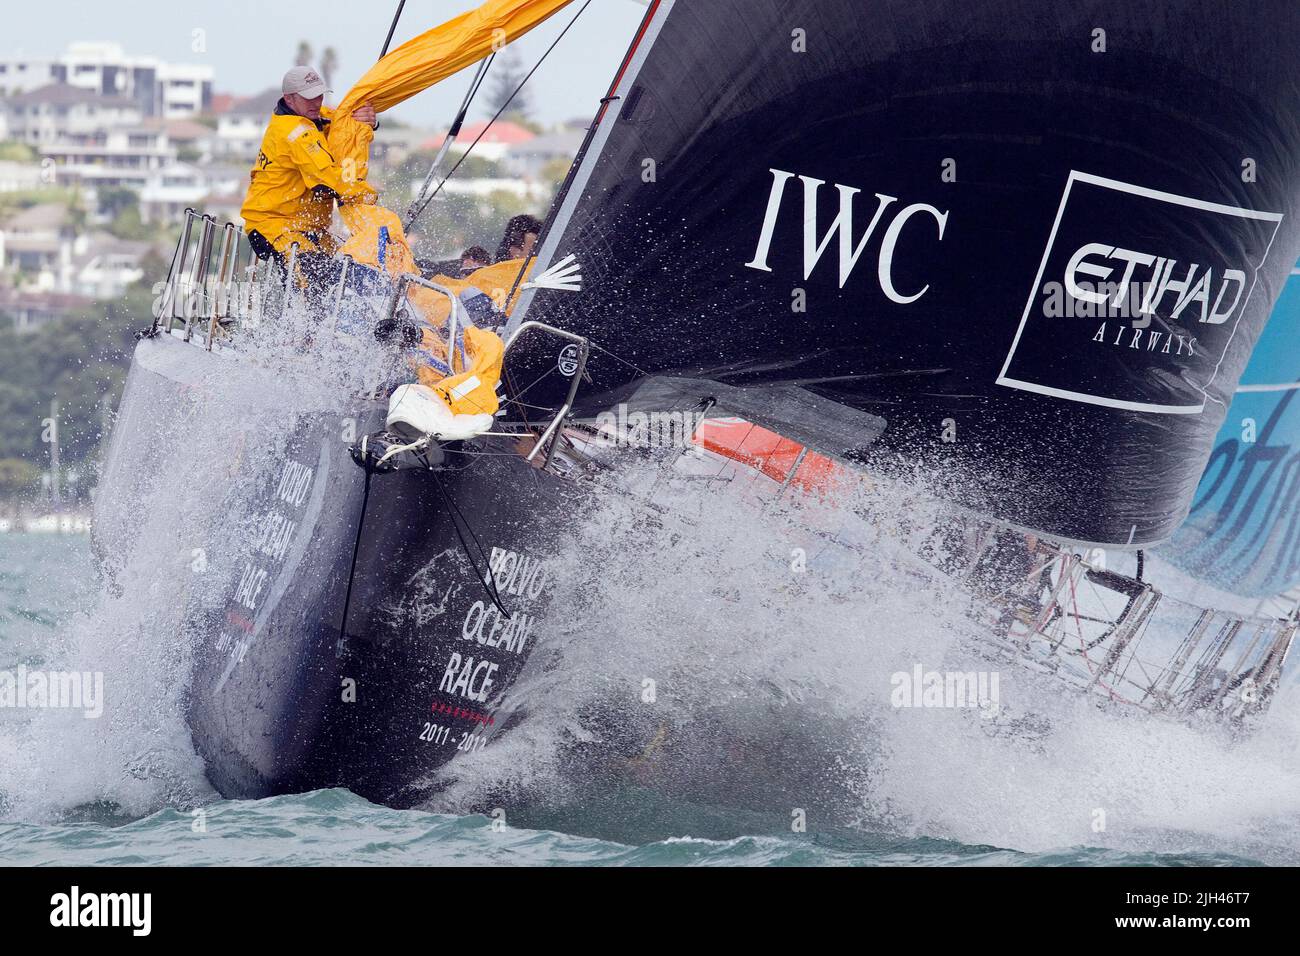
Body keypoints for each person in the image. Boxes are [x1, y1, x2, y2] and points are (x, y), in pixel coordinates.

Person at [240, 65, 380, 286]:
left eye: (319, 96)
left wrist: (368, 121)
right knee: (312, 278)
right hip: (273, 225)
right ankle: (299, 320)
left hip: (310, 228)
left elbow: (345, 123)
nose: (317, 103)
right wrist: (369, 197)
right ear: (289, 99)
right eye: (309, 98)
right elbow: (328, 181)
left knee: (347, 270)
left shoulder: (314, 116)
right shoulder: (294, 132)